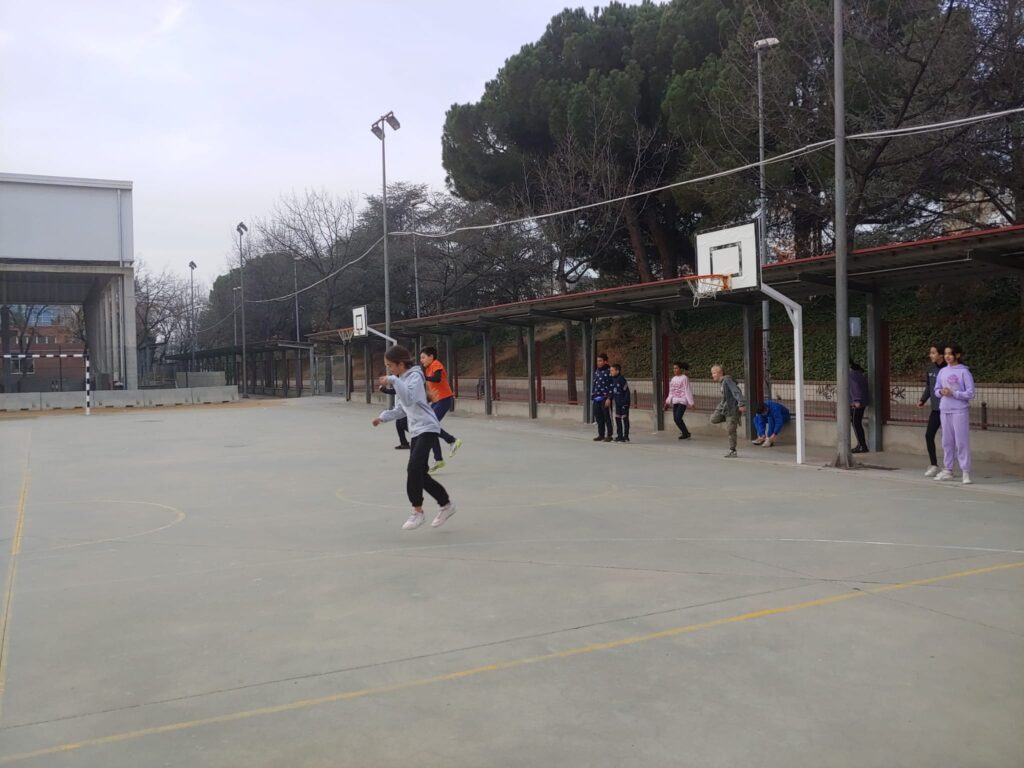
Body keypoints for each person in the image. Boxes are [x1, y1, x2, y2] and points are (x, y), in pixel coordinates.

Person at [372, 345, 457, 530]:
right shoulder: (401, 380)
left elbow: (409, 398)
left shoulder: (415, 377)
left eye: (390, 366)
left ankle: (417, 512)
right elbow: (401, 409)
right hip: (417, 430)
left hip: (428, 427)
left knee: (413, 469)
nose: (389, 370)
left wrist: (393, 380)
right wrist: (383, 417)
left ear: (401, 364)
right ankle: (446, 504)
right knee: (420, 474)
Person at [934, 343, 975, 484]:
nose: (947, 356)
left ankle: (965, 471)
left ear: (957, 355)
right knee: (947, 441)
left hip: (959, 410)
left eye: (950, 354)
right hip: (945, 409)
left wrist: (954, 393)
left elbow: (970, 393)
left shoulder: (964, 372)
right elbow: (936, 390)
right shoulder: (942, 371)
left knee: (961, 441)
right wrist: (941, 392)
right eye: (945, 354)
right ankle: (948, 469)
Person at [419, 346, 462, 473]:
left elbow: (437, 378)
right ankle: (438, 459)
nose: (421, 360)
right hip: (436, 401)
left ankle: (452, 440)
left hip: (444, 399)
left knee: (430, 425)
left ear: (431, 357)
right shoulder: (427, 369)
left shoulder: (436, 364)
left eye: (423, 357)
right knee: (429, 428)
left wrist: (424, 377)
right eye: (421, 358)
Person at [916, 344, 946, 477]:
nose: (930, 355)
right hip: (936, 409)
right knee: (929, 435)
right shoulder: (930, 369)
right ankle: (934, 465)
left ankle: (948, 467)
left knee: (948, 439)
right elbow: (929, 386)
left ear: (941, 354)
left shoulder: (949, 369)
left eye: (933, 353)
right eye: (930, 353)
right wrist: (923, 399)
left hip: (948, 410)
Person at [710, 364, 745, 458]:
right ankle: (731, 420)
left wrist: (741, 403)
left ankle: (732, 450)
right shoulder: (722, 382)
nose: (712, 375)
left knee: (731, 430)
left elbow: (736, 391)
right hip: (724, 408)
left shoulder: (727, 380)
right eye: (712, 373)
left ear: (720, 373)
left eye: (714, 373)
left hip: (732, 409)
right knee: (713, 419)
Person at [665, 361, 694, 440]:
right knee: (676, 419)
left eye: (676, 368)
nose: (674, 370)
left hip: (682, 401)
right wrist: (668, 401)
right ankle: (686, 433)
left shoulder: (684, 378)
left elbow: (687, 390)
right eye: (674, 368)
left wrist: (691, 403)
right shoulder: (673, 379)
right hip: (675, 401)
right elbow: (671, 391)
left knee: (678, 418)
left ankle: (686, 433)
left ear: (681, 369)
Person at [378, 381, 410, 449]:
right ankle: (404, 443)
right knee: (398, 424)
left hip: (407, 407)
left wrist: (385, 390)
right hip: (401, 407)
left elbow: (397, 390)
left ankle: (422, 435)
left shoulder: (406, 379)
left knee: (403, 424)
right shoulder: (399, 379)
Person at [591, 352, 613, 442]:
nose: (598, 362)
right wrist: (593, 396)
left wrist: (609, 398)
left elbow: (612, 385)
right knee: (598, 417)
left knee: (607, 417)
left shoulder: (609, 371)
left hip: (605, 398)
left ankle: (609, 435)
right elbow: (595, 384)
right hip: (597, 398)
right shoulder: (597, 371)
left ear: (605, 361)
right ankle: (601, 434)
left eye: (600, 361)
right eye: (597, 361)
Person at [849, 360, 870, 454]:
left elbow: (855, 387)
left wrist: (856, 400)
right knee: (857, 423)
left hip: (856, 404)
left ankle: (862, 445)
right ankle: (861, 445)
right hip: (862, 402)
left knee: (856, 423)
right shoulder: (860, 375)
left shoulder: (852, 375)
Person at [609, 363, 631, 442]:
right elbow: (613, 391)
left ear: (617, 371)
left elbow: (627, 392)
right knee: (617, 419)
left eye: (612, 370)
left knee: (625, 419)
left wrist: (625, 402)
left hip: (624, 403)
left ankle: (626, 436)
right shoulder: (613, 379)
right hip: (617, 403)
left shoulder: (621, 379)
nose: (611, 372)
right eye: (610, 370)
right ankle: (619, 435)